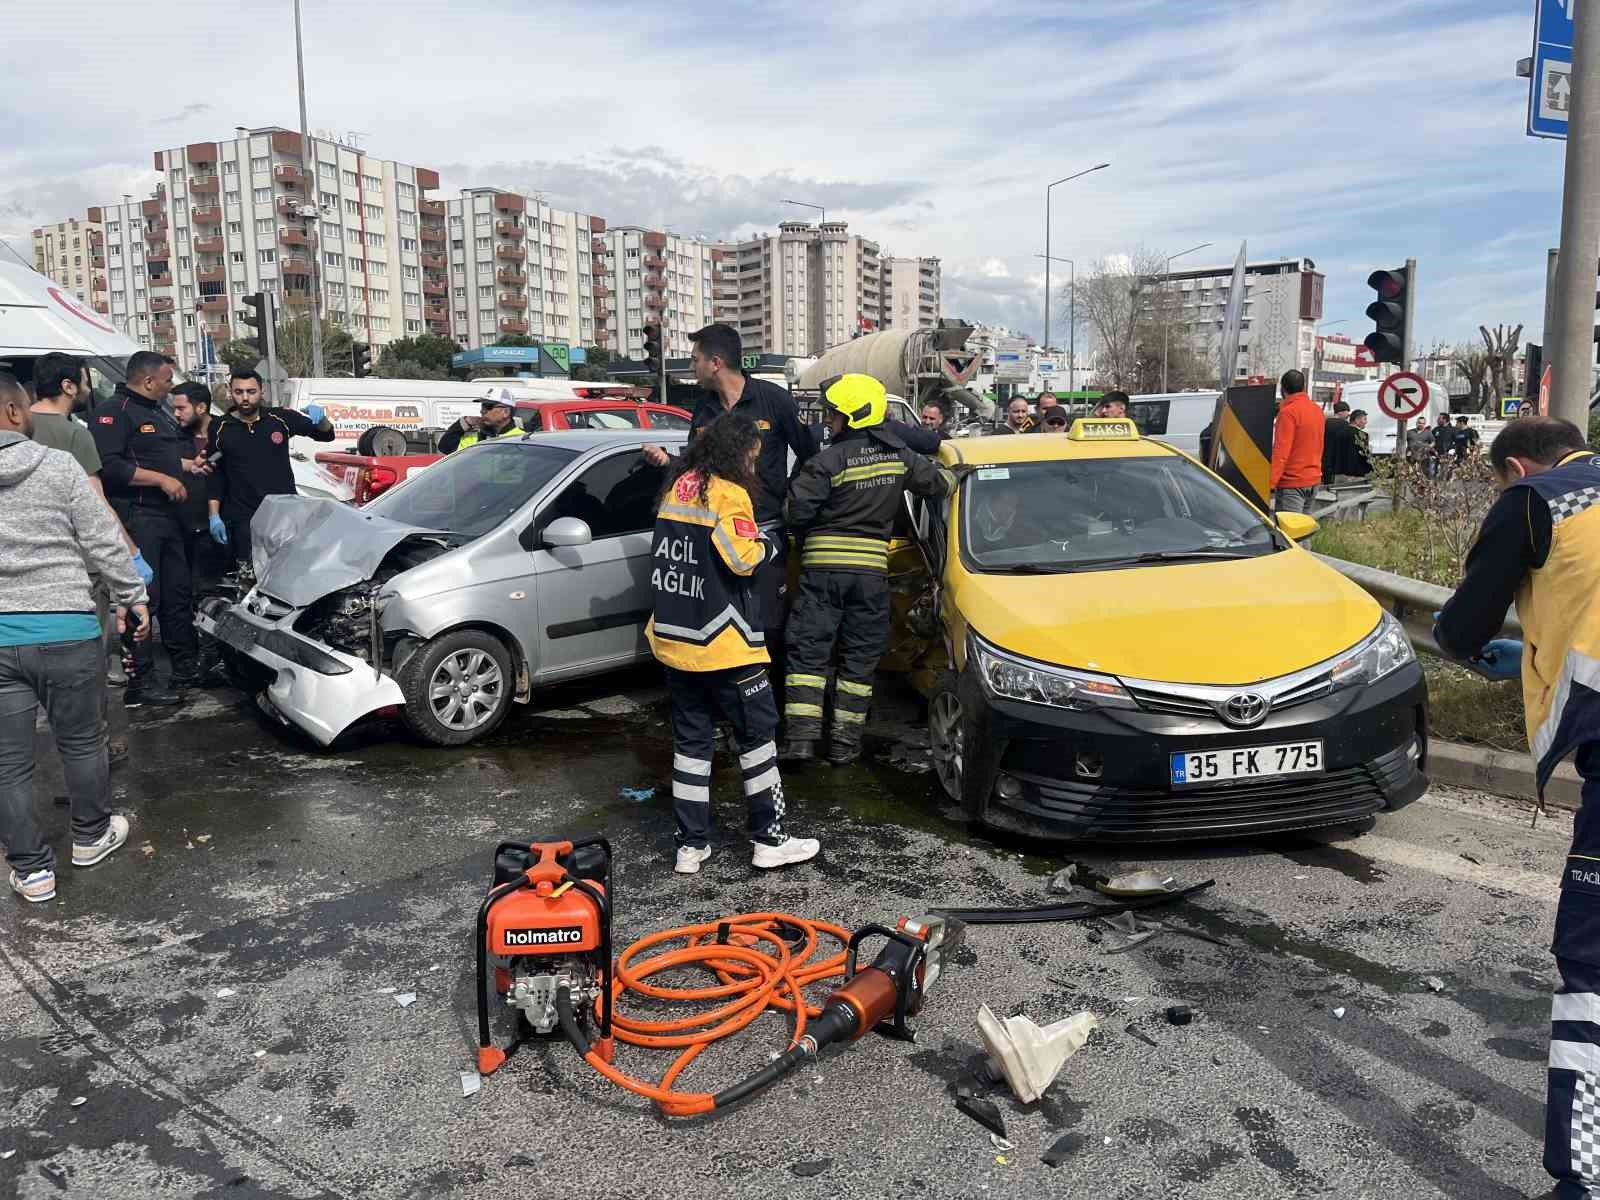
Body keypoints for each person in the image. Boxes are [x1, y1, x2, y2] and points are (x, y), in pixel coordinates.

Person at [1432, 417, 1600, 1199]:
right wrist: (1532, 655)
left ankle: (1586, 1178)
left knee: (1592, 972)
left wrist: (1466, 642)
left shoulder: (1537, 498)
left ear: (1519, 463)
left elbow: (1462, 623)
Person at [644, 413, 818, 875]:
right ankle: (771, 839)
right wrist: (768, 545)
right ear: (737, 452)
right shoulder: (728, 494)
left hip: (676, 641)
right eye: (752, 454)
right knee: (757, 742)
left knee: (692, 747)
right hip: (725, 644)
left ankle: (691, 845)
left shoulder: (680, 486)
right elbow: (742, 562)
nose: (754, 462)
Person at [0, 372, 147, 902]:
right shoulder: (59, 466)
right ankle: (90, 837)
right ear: (16, 414)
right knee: (82, 742)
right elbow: (103, 539)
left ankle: (33, 871)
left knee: (7, 763)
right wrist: (133, 595)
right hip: (66, 626)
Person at [781, 374, 949, 765]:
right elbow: (939, 484)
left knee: (808, 656)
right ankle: (844, 745)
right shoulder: (899, 457)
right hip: (871, 575)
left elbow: (795, 512)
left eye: (832, 414)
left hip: (822, 574)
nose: (828, 420)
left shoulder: (826, 461)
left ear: (852, 417)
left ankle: (803, 741)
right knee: (859, 659)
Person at [642, 323, 817, 669]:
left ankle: (768, 708)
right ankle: (734, 706)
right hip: (717, 533)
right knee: (726, 624)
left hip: (764, 529)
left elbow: (811, 454)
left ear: (716, 362)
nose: (692, 368)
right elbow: (697, 464)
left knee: (768, 624)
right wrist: (668, 461)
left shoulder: (773, 399)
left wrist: (790, 495)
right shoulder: (704, 408)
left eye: (695, 360)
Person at [90, 351, 201, 704]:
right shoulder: (114, 411)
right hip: (139, 518)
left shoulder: (157, 412)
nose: (171, 388)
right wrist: (161, 480)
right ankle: (141, 681)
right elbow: (109, 467)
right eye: (168, 380)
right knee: (142, 602)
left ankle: (185, 668)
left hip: (169, 518)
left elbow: (157, 454)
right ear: (149, 380)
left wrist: (186, 466)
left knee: (178, 594)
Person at [207, 369, 334, 573]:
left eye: (251, 391)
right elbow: (215, 474)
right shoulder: (220, 427)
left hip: (284, 514)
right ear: (231, 392)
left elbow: (326, 436)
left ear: (262, 391)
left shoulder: (280, 418)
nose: (245, 398)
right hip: (243, 517)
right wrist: (214, 515)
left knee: (288, 571)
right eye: (239, 392)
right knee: (249, 574)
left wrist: (321, 420)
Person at [1269, 369, 1324, 513]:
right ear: (1303, 387)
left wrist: (1270, 482)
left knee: (1289, 532)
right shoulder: (1317, 410)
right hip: (1313, 478)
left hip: (1292, 482)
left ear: (1283, 388)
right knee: (1303, 530)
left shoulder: (1288, 412)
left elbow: (1281, 451)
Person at [439, 386, 521, 453]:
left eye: (488, 406)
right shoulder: (476, 438)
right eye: (482, 406)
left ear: (506, 412)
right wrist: (464, 423)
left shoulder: (521, 439)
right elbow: (445, 448)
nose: (482, 411)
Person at [1321, 400, 1371, 485]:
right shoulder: (1347, 427)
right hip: (1350, 470)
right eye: (1347, 413)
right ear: (1342, 412)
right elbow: (1363, 455)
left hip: (1327, 462)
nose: (1348, 415)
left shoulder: (1324, 423)